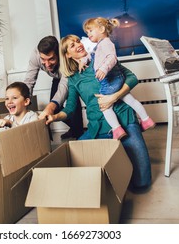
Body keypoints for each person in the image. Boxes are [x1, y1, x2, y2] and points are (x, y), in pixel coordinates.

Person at [45, 34, 152, 189]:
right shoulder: (74, 78)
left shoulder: (104, 59)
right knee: (74, 161)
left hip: (124, 120)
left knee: (142, 182)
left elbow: (132, 78)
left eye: (77, 41)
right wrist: (54, 117)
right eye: (72, 45)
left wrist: (113, 97)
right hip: (98, 126)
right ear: (67, 54)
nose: (78, 44)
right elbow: (70, 108)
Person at [80, 17, 155, 139]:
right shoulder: (100, 45)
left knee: (104, 107)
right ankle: (146, 120)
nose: (88, 34)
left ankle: (117, 129)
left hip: (110, 80)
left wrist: (103, 69)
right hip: (117, 80)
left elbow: (112, 58)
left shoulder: (106, 43)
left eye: (90, 31)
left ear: (102, 29)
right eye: (87, 32)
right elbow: (91, 55)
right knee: (130, 100)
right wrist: (84, 60)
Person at [24, 35, 84, 139]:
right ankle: (76, 129)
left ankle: (78, 132)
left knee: (72, 102)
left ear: (59, 54)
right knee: (56, 109)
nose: (47, 64)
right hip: (57, 77)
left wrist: (51, 106)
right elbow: (29, 81)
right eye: (43, 59)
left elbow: (64, 85)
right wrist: (24, 101)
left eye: (51, 59)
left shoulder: (65, 55)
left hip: (69, 75)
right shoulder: (35, 55)